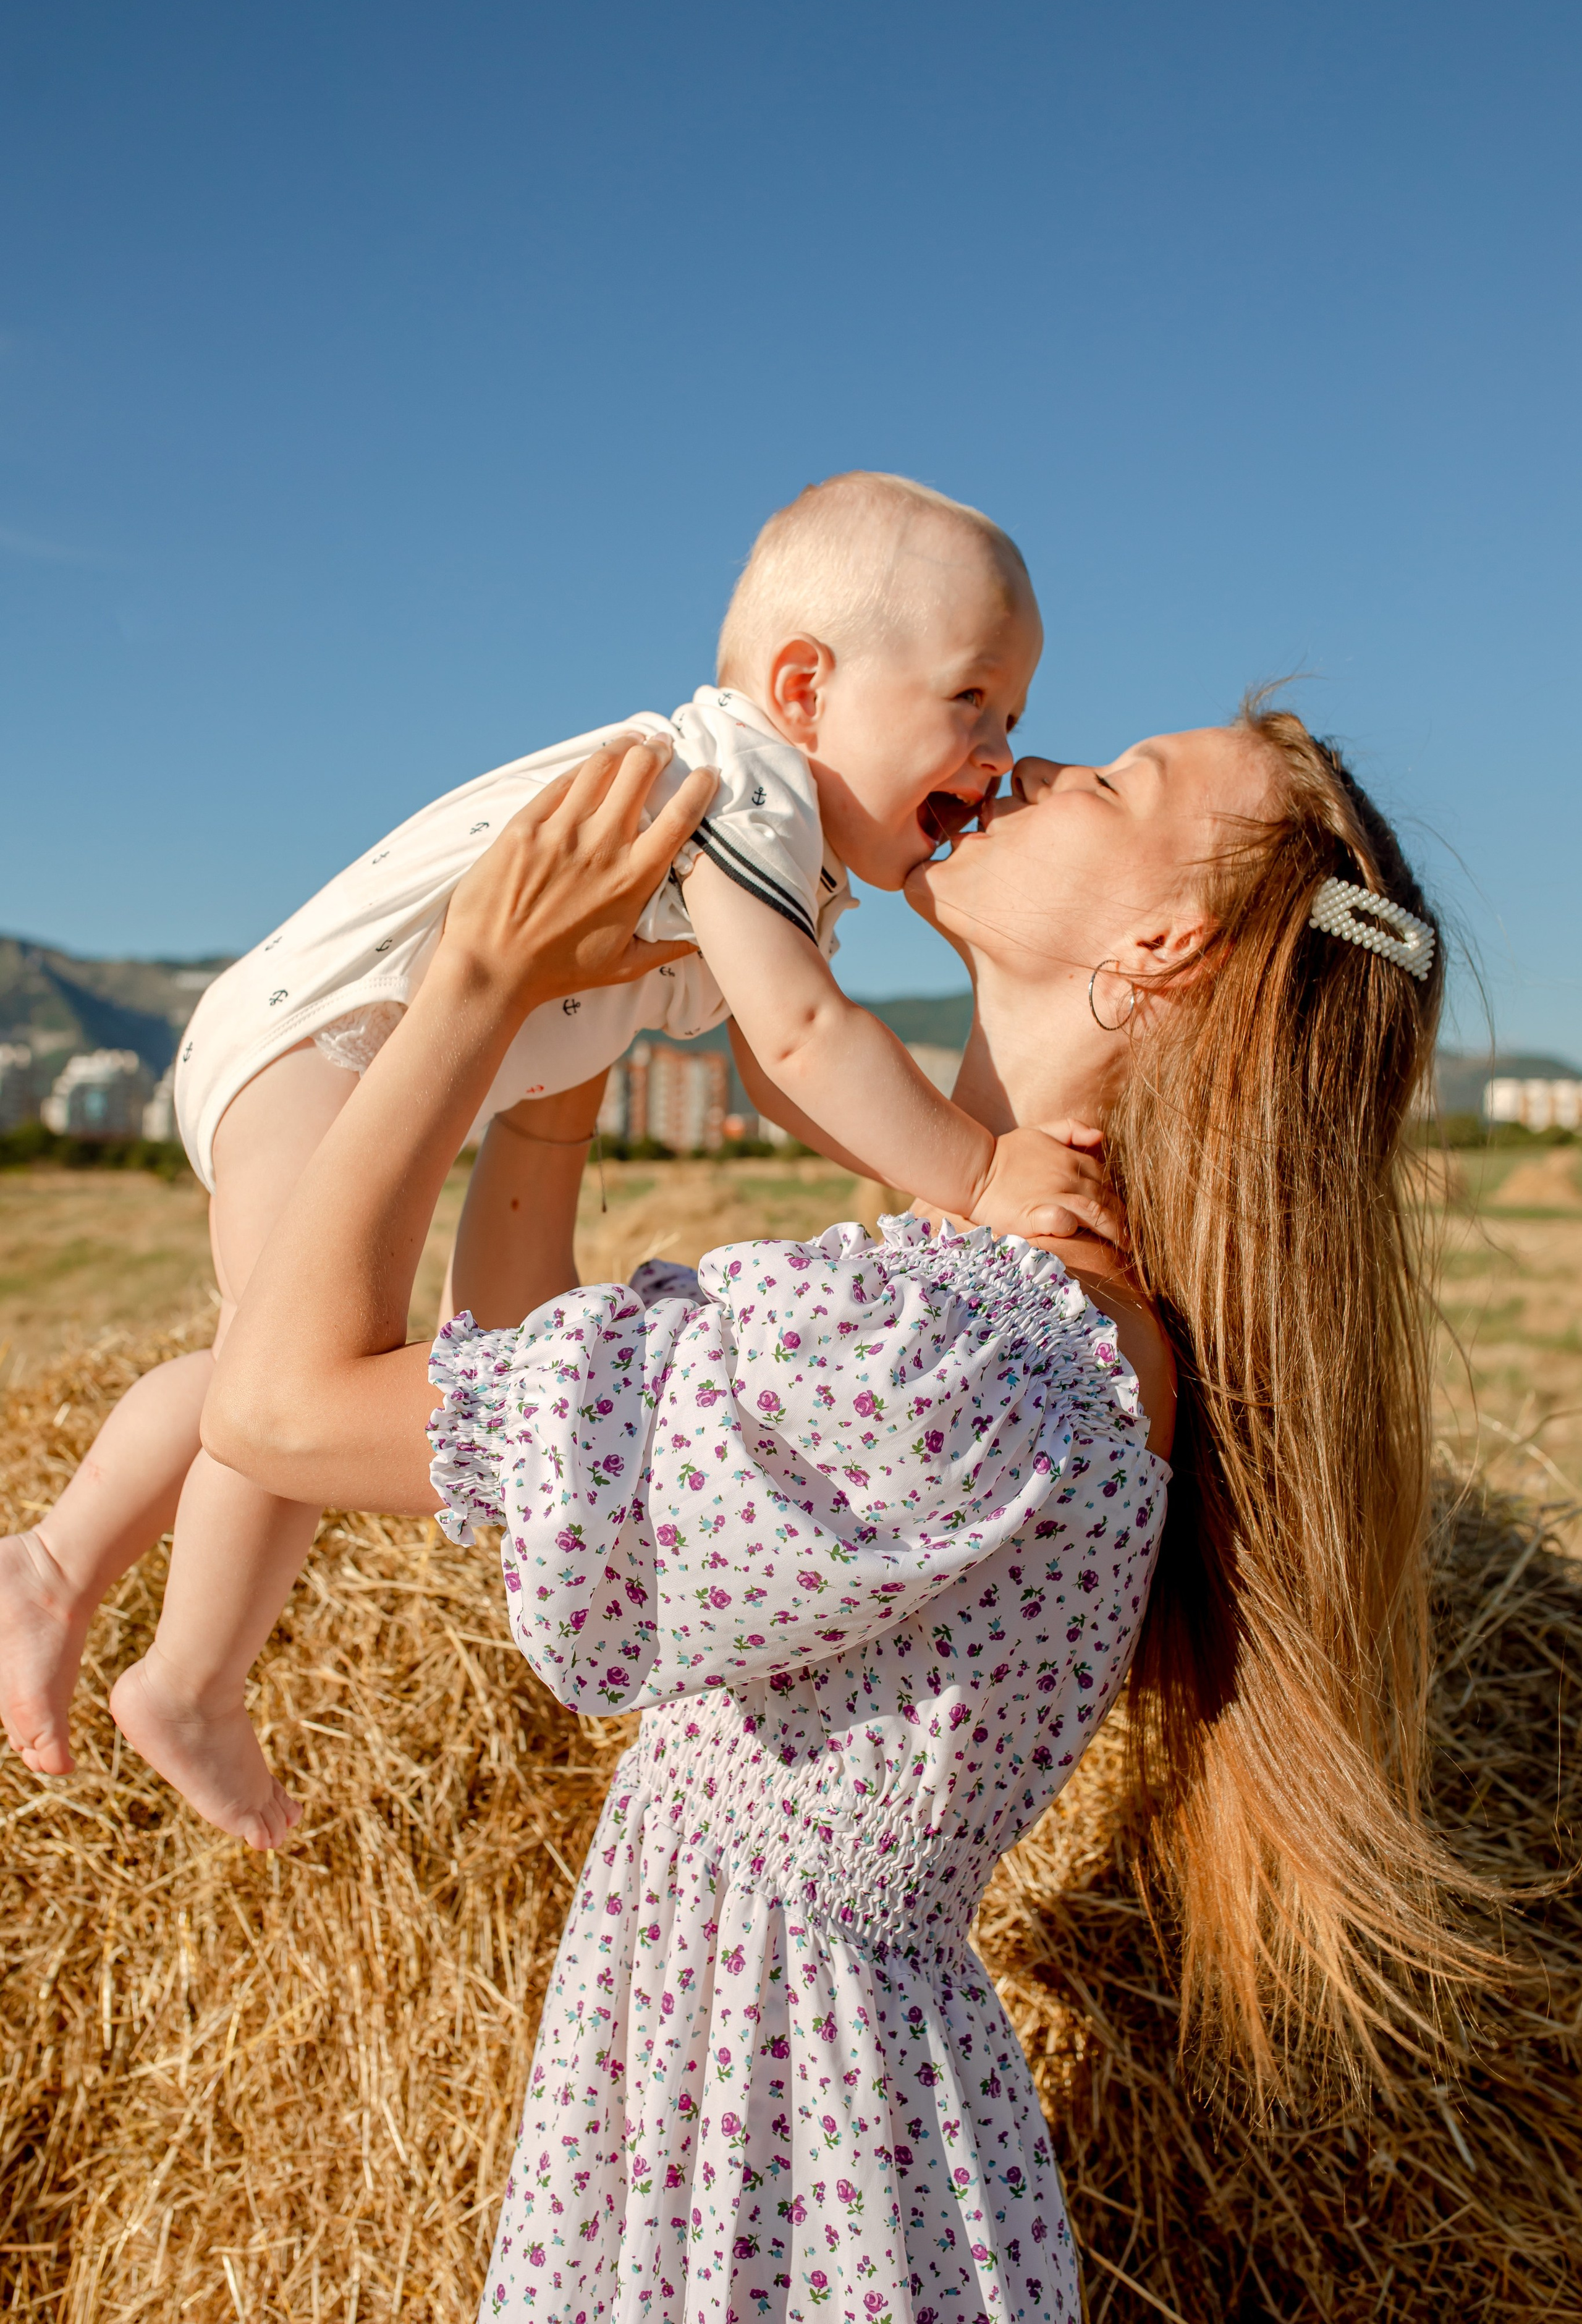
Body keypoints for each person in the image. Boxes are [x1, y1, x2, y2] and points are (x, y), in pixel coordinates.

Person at [201, 693, 1457, 2324]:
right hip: (783, 2108)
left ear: (1164, 946)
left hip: (764, 2152)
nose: (1031, 766)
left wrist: (477, 984)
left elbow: (278, 1409)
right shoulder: (1019, 1323)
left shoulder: (962, 1361)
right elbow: (532, 1406)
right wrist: (565, 1055)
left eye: (1112, 781)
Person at [0, 473, 1119, 1847]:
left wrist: (941, 1179)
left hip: (323, 1037)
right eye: (971, 700)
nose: (1000, 752)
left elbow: (779, 1074)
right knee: (285, 1381)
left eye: (1014, 715)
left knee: (266, 1355)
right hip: (328, 1038)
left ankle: (62, 1571)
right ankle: (177, 1674)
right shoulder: (744, 787)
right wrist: (979, 1177)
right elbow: (803, 1037)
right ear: (805, 688)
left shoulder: (772, 834)